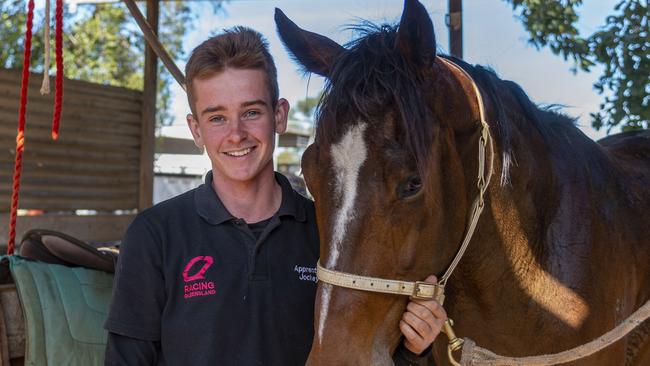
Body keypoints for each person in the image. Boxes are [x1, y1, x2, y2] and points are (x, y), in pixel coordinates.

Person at [104, 26, 447, 365]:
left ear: (279, 115)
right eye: (217, 118)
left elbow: (359, 351)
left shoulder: (327, 235)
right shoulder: (155, 235)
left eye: (251, 112)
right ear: (197, 130)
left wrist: (412, 352)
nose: (236, 134)